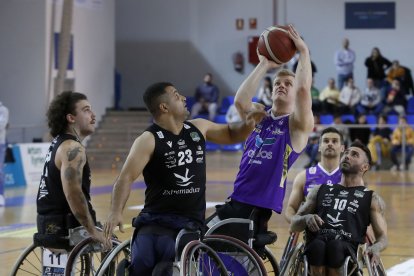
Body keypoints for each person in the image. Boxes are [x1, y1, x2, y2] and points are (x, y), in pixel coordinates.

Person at [103, 82, 266, 274]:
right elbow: (125, 178)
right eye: (176, 95)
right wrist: (115, 211)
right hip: (153, 221)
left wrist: (250, 121)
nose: (183, 98)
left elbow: (232, 134)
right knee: (139, 264)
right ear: (164, 107)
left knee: (166, 271)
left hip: (187, 224)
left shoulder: (198, 128)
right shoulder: (148, 139)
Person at [207, 25, 313, 240]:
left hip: (256, 206)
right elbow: (240, 102)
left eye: (288, 84)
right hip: (236, 199)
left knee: (209, 247)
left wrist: (303, 52)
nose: (281, 86)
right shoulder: (260, 115)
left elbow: (303, 90)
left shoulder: (297, 125)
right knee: (198, 242)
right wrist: (264, 64)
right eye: (277, 83)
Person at [291, 141, 388, 275]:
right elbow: (294, 224)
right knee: (317, 246)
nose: (347, 156)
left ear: (364, 167)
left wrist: (376, 248)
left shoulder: (371, 198)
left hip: (346, 249)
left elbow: (383, 238)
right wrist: (306, 218)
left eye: (354, 155)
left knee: (335, 247)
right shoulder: (319, 190)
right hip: (317, 245)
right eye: (346, 153)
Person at [36, 92, 109, 248]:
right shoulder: (72, 148)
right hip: (67, 227)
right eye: (86, 110)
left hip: (46, 225)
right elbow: (73, 194)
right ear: (71, 118)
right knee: (112, 242)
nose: (93, 115)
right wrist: (92, 230)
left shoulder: (57, 144)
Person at [285, 127, 344, 223]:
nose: (330, 144)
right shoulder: (303, 176)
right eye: (326, 141)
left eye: (334, 141)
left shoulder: (350, 176)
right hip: (313, 235)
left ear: (342, 148)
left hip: (342, 235)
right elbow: (290, 209)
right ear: (319, 147)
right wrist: (298, 221)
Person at [0, 101, 9, 207]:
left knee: (0, 170)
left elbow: (2, 125)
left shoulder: (3, 110)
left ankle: (1, 195)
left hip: (0, 144)